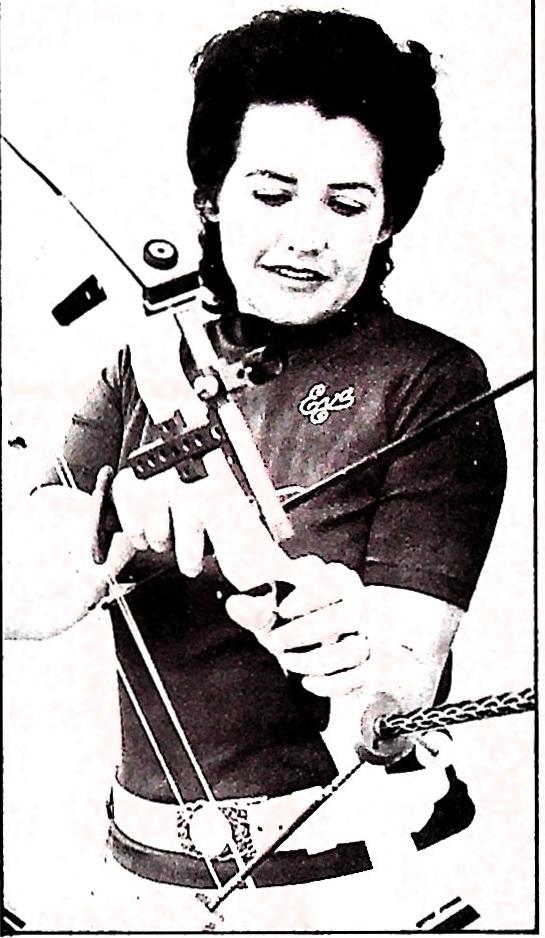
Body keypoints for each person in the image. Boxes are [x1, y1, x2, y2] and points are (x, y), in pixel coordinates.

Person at [6, 8, 507, 931]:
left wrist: (348, 647)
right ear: (211, 196)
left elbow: (404, 669)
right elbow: (21, 592)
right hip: (141, 876)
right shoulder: (144, 364)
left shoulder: (431, 380)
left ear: (387, 219)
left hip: (364, 879)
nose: (306, 235)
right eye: (271, 194)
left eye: (346, 205)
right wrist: (111, 519)